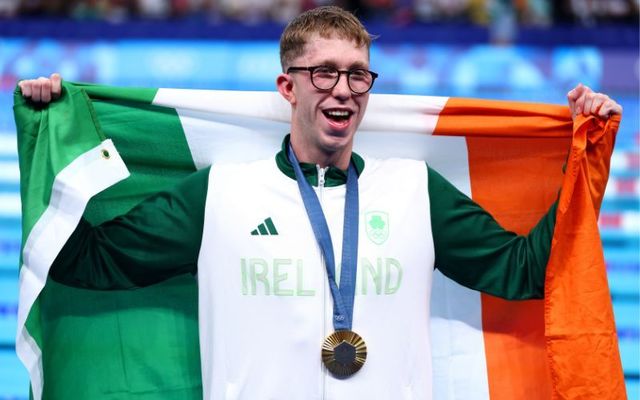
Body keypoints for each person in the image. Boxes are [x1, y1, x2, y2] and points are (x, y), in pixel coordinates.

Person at [19, 6, 622, 400]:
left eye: (358, 75)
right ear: (288, 86)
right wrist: (52, 135)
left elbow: (525, 272)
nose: (343, 89)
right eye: (324, 73)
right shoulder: (221, 192)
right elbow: (86, 261)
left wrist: (585, 159)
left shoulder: (415, 189)